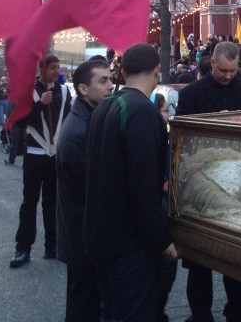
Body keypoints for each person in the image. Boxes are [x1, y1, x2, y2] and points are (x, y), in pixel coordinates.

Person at [83, 43, 177, 322]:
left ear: (122, 72)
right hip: (129, 244)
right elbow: (143, 188)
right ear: (157, 71)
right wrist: (163, 241)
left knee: (110, 312)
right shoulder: (144, 114)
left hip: (102, 236)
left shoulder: (105, 107)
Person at [176, 41, 241, 322]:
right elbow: (182, 138)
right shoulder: (193, 94)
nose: (227, 76)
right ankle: (200, 316)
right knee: (199, 264)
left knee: (234, 261)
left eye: (233, 71)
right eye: (223, 70)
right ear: (212, 64)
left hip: (236, 180)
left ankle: (236, 313)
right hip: (200, 180)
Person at [56, 57, 114, 322]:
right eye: (103, 81)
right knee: (84, 307)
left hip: (84, 235)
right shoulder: (80, 130)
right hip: (84, 238)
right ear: (82, 88)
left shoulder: (87, 119)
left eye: (111, 78)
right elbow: (93, 191)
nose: (110, 85)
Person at [9, 53, 72, 268]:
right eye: (52, 67)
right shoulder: (28, 93)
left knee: (52, 202)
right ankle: (23, 247)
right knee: (29, 202)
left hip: (55, 156)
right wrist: (39, 104)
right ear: (42, 70)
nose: (56, 71)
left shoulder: (64, 92)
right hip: (35, 154)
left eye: (58, 67)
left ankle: (52, 245)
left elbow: (68, 120)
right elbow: (20, 123)